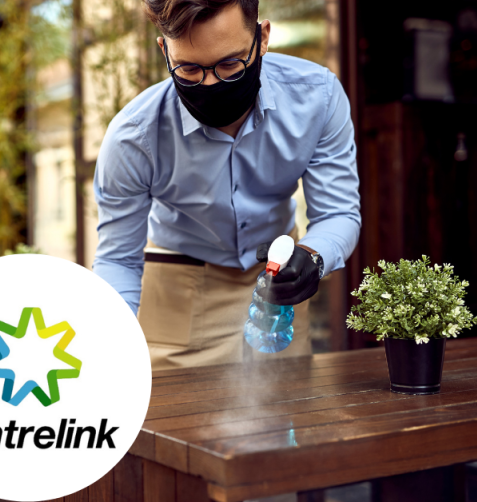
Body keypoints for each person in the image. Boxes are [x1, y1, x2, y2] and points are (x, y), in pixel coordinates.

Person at [92, 0, 360, 370]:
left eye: (230, 65)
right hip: (177, 293)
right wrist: (112, 339)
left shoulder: (318, 98)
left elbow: (339, 213)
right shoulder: (134, 136)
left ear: (262, 38)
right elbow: (117, 259)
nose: (211, 84)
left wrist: (312, 258)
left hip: (277, 294)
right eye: (188, 69)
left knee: (286, 421)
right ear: (164, 51)